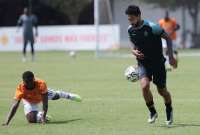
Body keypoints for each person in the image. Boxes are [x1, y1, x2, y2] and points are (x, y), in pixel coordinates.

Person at [125, 5, 177, 126]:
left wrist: (170, 56)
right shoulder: (130, 29)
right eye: (129, 19)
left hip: (158, 63)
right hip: (143, 64)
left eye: (132, 18)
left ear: (139, 16)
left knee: (162, 91)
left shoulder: (152, 27)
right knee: (144, 86)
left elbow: (168, 38)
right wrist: (133, 51)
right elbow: (132, 42)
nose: (130, 21)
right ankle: (152, 111)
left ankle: (169, 109)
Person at [2, 71, 82, 126]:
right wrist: (7, 121)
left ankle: (69, 96)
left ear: (34, 79)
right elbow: (15, 106)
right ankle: (40, 116)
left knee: (56, 96)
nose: (29, 84)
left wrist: (43, 117)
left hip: (41, 95)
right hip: (29, 101)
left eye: (31, 81)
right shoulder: (20, 89)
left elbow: (45, 103)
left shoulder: (41, 84)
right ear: (24, 81)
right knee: (31, 120)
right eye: (27, 82)